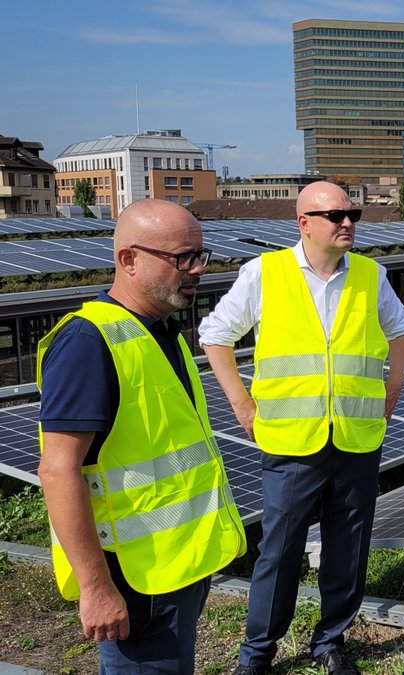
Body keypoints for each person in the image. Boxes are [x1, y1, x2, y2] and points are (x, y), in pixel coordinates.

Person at [199, 181, 404, 675]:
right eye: (335, 214)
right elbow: (215, 335)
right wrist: (240, 404)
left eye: (351, 213)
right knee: (280, 548)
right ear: (304, 223)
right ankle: (257, 654)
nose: (347, 222)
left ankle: (330, 641)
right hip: (291, 440)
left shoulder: (369, 274)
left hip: (357, 438)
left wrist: (392, 389)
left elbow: (400, 327)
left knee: (349, 545)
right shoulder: (264, 273)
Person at [37, 199, 247, 674]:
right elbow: (57, 469)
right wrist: (95, 588)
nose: (196, 270)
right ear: (129, 259)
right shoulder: (89, 343)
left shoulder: (159, 331)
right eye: (181, 259)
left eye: (201, 256)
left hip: (173, 569)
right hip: (134, 582)